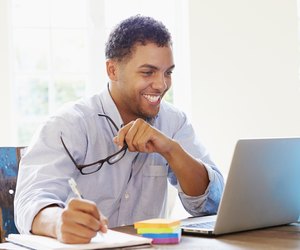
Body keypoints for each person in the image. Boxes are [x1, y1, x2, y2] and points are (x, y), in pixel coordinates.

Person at [14, 15, 224, 244]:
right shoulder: (68, 125)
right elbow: (30, 201)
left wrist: (172, 150)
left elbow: (213, 203)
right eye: (148, 72)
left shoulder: (174, 122)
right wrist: (57, 222)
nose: (161, 84)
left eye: (168, 72)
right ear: (112, 70)